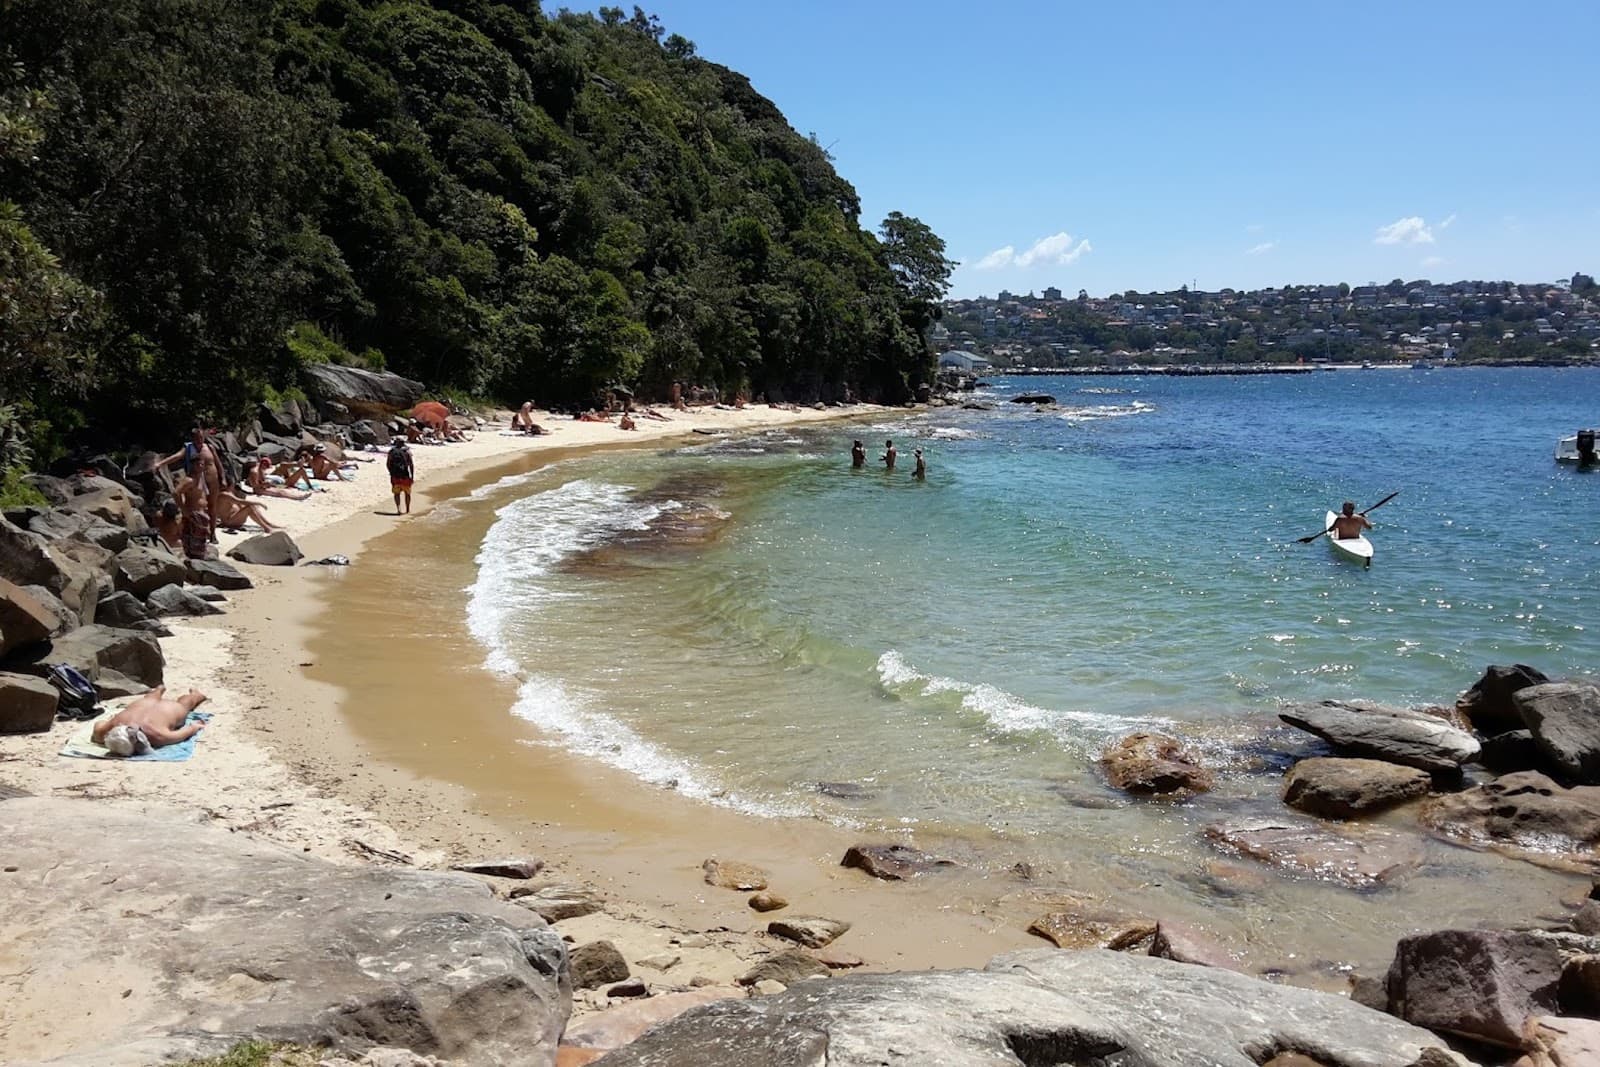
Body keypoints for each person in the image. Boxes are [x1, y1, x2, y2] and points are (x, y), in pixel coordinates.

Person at [92, 686, 208, 755]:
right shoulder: (108, 729)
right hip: (144, 704)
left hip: (169, 710)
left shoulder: (157, 736)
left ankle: (196, 696)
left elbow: (183, 733)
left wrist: (195, 727)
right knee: (150, 699)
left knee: (184, 704)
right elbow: (99, 725)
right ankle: (158, 690)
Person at [157, 428, 225, 544]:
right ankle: (194, 533)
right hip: (197, 480)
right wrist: (161, 463)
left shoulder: (209, 447)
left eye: (201, 437)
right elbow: (177, 456)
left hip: (213, 481)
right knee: (196, 505)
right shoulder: (188, 448)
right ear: (193, 438)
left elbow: (218, 464)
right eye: (197, 438)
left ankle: (213, 534)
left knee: (213, 507)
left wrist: (222, 478)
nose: (200, 440)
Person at [213, 489, 278, 533]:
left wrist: (253, 505)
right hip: (229, 521)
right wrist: (258, 503)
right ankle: (267, 528)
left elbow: (240, 504)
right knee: (249, 507)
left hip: (233, 518)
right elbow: (240, 501)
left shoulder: (229, 494)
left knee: (251, 507)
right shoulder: (224, 495)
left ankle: (268, 524)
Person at [387, 436, 414, 515]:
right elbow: (411, 464)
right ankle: (408, 510)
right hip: (405, 476)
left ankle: (398, 509)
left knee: (397, 493)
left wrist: (391, 473)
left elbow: (388, 464)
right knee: (407, 493)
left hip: (395, 476)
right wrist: (412, 476)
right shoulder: (407, 452)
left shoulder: (392, 451)